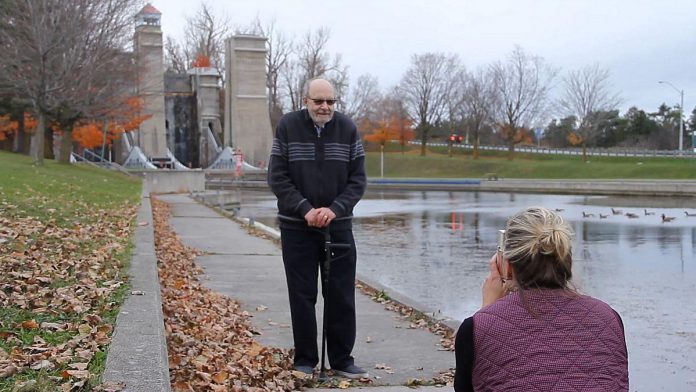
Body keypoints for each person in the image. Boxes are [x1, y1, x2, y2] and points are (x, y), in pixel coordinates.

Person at [454, 207, 628, 392]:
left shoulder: (476, 328)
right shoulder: (609, 319)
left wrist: (486, 311)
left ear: (508, 265)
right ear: (566, 260)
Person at [267, 78, 367, 378]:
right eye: (318, 101)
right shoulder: (288, 126)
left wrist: (334, 210)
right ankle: (306, 359)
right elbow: (278, 177)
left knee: (341, 294)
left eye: (330, 102)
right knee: (302, 294)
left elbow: (358, 180)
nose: (324, 107)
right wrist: (305, 209)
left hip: (338, 227)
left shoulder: (347, 129)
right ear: (305, 100)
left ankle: (341, 359)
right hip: (297, 227)